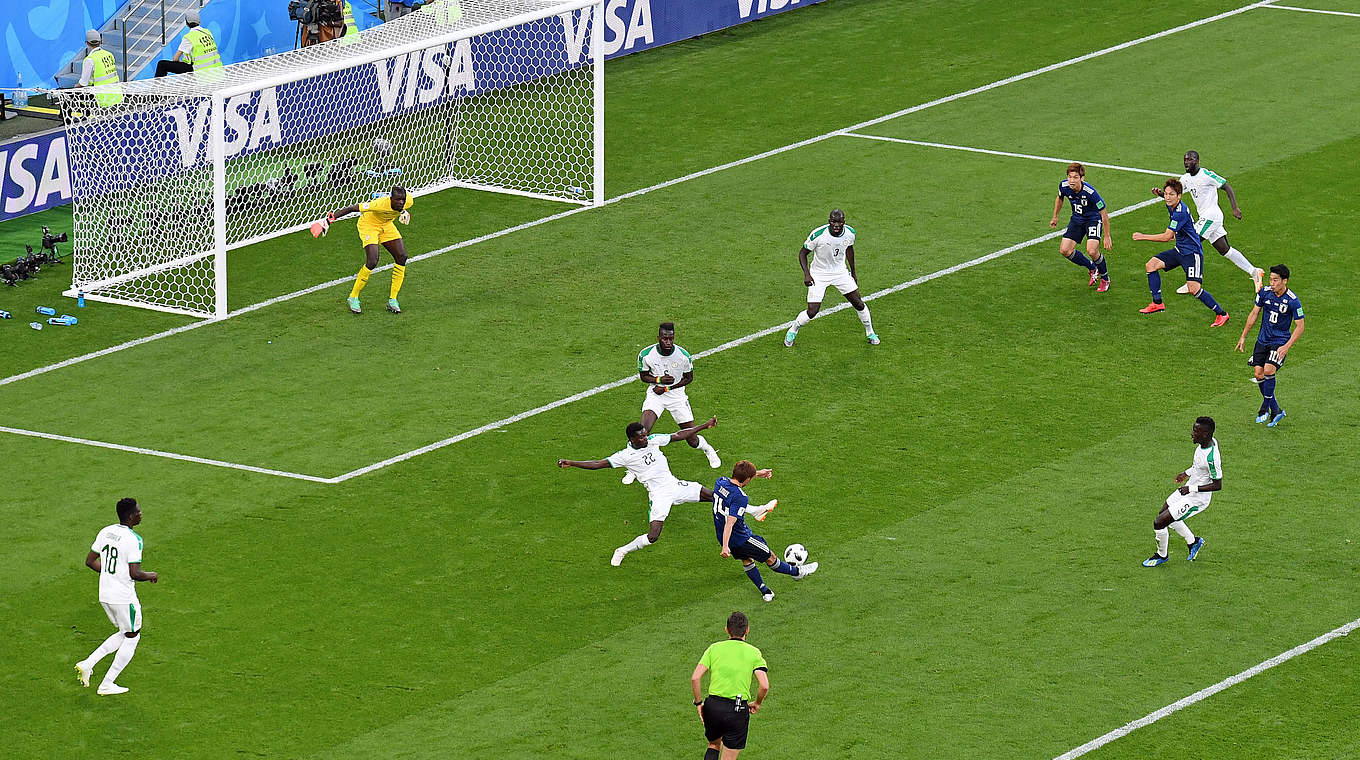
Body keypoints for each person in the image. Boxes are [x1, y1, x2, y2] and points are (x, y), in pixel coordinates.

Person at [558, 417, 719, 566]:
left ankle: (744, 508)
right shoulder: (625, 456)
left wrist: (704, 426)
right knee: (653, 536)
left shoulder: (653, 440)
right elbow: (597, 463)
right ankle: (623, 550)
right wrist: (571, 462)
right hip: (659, 496)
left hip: (675, 486)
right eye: (641, 437)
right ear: (632, 439)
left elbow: (679, 434)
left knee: (715, 496)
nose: (645, 438)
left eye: (645, 434)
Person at [75, 498, 159, 695]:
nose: (141, 514)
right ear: (131, 516)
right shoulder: (134, 539)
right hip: (123, 597)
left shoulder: (106, 531)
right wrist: (151, 575)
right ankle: (106, 684)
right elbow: (135, 573)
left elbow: (90, 561)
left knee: (124, 632)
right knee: (132, 637)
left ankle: (88, 664)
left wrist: (110, 574)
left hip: (105, 594)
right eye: (139, 511)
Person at [1154, 151, 1263, 295]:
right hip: (1207, 218)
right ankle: (1255, 272)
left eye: (1190, 159)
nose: (1187, 162)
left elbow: (1226, 186)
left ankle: (1193, 281)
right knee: (1225, 249)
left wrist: (1235, 208)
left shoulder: (1206, 175)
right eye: (1185, 160)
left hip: (1212, 216)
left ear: (1197, 161)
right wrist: (1162, 194)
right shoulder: (1185, 179)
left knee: (1190, 243)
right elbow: (1176, 194)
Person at [624, 322, 720, 484]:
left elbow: (689, 378)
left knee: (691, 438)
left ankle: (708, 449)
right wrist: (658, 380)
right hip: (655, 395)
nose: (668, 342)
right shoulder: (646, 354)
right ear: (659, 338)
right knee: (642, 432)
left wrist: (667, 388)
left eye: (671, 338)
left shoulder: (683, 355)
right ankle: (633, 468)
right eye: (665, 339)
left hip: (677, 397)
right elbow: (643, 376)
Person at [714, 461, 816, 602]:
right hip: (740, 538)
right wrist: (725, 546)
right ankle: (798, 572)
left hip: (722, 535)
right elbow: (730, 523)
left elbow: (740, 478)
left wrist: (757, 473)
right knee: (770, 557)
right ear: (747, 479)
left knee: (747, 560)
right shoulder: (740, 498)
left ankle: (765, 591)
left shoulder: (720, 482)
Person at [1134, 178, 1229, 326]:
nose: (1167, 197)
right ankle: (1157, 303)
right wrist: (1160, 194)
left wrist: (1143, 236)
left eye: (1171, 194)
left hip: (1192, 254)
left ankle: (1222, 314)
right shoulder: (1172, 205)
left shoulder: (1180, 212)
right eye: (1166, 194)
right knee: (1151, 265)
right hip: (1179, 251)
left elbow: (1167, 237)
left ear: (1179, 196)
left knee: (1194, 289)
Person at [783, 209, 879, 347]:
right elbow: (802, 254)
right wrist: (806, 273)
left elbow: (849, 250)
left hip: (840, 272)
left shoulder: (850, 233)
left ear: (843, 222)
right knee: (812, 311)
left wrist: (853, 272)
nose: (836, 225)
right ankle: (793, 330)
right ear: (829, 221)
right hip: (819, 274)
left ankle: (870, 333)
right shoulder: (818, 235)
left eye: (839, 222)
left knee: (858, 303)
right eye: (833, 221)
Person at [690, 611, 770, 760]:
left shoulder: (714, 648)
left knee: (713, 745)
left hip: (713, 706)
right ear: (747, 630)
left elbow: (695, 678)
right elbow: (764, 685)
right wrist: (758, 703)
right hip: (737, 709)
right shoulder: (753, 653)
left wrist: (699, 703)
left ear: (726, 629)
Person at [1142, 417, 1220, 567]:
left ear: (1205, 434)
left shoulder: (1212, 458)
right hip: (1189, 489)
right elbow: (1199, 467)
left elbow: (1217, 485)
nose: (1192, 434)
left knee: (1159, 522)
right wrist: (1186, 473)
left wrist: (1191, 488)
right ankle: (1193, 542)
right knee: (1163, 514)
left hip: (1197, 499)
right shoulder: (1208, 443)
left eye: (1196, 431)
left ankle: (1161, 555)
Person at [1235, 264, 1304, 427]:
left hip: (1279, 342)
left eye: (1275, 280)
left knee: (1268, 370)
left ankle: (1265, 408)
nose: (1271, 283)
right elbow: (1254, 313)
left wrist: (1286, 346)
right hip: (1262, 340)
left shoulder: (1293, 301)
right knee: (1258, 374)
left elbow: (1300, 326)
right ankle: (1276, 410)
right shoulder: (1264, 293)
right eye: (1270, 279)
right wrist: (1243, 336)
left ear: (1284, 281)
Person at [327, 186, 413, 314]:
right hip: (369, 225)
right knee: (372, 260)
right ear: (391, 199)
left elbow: (402, 206)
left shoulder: (409, 201)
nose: (401, 202)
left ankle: (392, 300)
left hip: (386, 225)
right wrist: (328, 221)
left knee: (402, 257)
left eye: (403, 200)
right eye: (398, 200)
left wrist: (403, 211)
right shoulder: (378, 204)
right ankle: (353, 297)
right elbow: (351, 209)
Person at [1048, 162, 1113, 291]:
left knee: (1092, 250)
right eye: (1070, 177)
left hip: (1093, 220)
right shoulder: (1064, 186)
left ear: (1082, 178)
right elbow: (1060, 198)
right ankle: (1092, 268)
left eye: (1075, 177)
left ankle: (1105, 278)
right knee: (1065, 250)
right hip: (1077, 220)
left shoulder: (1091, 192)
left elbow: (1104, 213)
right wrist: (1055, 216)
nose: (1071, 181)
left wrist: (1107, 236)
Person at [155, 11, 221, 78]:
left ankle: (157, 88)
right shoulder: (208, 32)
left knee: (162, 64)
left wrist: (180, 64)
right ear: (199, 22)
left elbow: (175, 58)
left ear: (187, 23)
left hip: (197, 71)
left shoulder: (189, 37)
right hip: (216, 70)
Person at [77, 30, 122, 108]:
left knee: (68, 95)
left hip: (101, 98)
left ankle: (85, 117)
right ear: (100, 41)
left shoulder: (90, 60)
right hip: (116, 96)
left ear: (87, 43)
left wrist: (75, 87)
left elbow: (84, 83)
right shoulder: (109, 55)